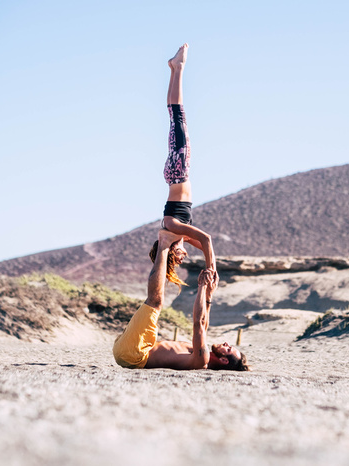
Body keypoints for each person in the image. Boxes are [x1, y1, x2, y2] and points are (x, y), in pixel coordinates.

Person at [114, 229, 249, 371]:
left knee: (156, 301)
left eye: (228, 349)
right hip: (134, 350)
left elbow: (198, 324)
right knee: (156, 301)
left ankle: (164, 244)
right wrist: (209, 294)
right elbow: (204, 323)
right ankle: (169, 245)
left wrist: (202, 286)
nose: (227, 344)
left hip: (135, 354)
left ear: (223, 360)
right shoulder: (202, 352)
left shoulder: (201, 360)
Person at [149, 43, 215, 289]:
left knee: (177, 116)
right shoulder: (179, 232)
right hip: (177, 173)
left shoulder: (173, 226)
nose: (184, 257)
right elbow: (207, 242)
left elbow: (206, 239)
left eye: (178, 259)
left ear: (172, 252)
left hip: (178, 172)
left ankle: (178, 68)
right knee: (176, 117)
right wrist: (210, 267)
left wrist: (211, 269)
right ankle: (175, 69)